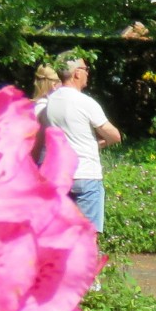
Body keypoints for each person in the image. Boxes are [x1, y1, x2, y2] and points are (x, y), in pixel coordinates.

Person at [42, 54, 121, 232]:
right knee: (87, 235)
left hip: (60, 176)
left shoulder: (51, 102)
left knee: (62, 234)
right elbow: (114, 135)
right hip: (86, 175)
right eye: (86, 70)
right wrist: (99, 143)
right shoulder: (85, 102)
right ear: (77, 73)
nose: (88, 74)